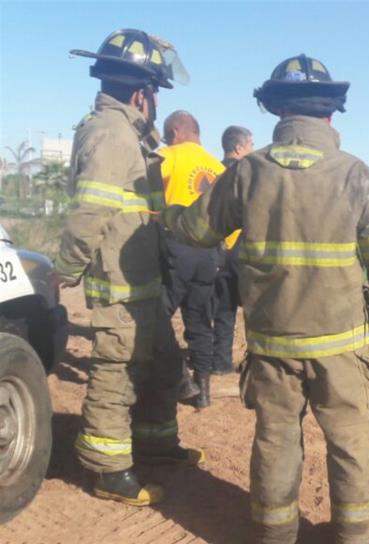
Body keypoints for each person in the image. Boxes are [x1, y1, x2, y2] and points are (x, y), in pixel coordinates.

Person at [162, 54, 369, 544]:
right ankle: (352, 537)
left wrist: (163, 215)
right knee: (352, 442)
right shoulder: (356, 174)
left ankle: (274, 535)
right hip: (342, 345)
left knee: (275, 440)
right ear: (330, 116)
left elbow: (198, 230)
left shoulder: (247, 172)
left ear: (277, 114)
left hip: (274, 344)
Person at [54, 28, 203, 506]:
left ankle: (157, 444)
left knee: (162, 362)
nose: (157, 101)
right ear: (142, 93)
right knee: (116, 373)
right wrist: (68, 267)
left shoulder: (132, 136)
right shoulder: (111, 135)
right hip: (119, 281)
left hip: (143, 277)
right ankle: (108, 469)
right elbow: (89, 213)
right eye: (155, 91)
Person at [157, 111, 227, 408]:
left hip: (176, 246)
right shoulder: (219, 167)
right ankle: (204, 390)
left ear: (175, 131)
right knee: (199, 318)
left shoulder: (168, 156)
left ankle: (177, 379)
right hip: (209, 253)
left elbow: (145, 194)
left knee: (157, 316)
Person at [210, 125, 253, 374]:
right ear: (239, 147)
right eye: (251, 145)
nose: (252, 149)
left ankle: (221, 362)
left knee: (223, 309)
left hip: (217, 250)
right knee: (252, 309)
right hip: (242, 250)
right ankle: (254, 363)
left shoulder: (213, 172)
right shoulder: (245, 174)